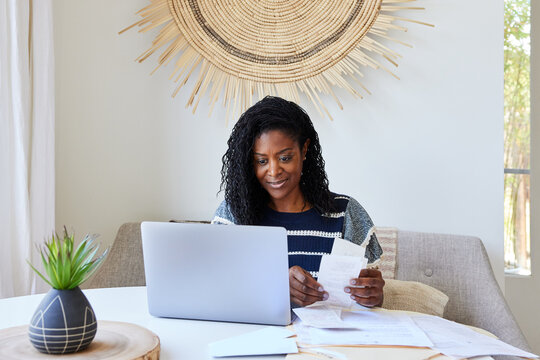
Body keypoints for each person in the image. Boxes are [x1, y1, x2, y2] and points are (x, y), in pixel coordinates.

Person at [212, 96, 384, 308]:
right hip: (257, 338)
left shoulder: (345, 214)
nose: (274, 171)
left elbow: (364, 303)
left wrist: (373, 297)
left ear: (304, 150)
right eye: (261, 161)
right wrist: (276, 285)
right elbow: (217, 291)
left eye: (285, 158)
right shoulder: (233, 215)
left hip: (327, 340)